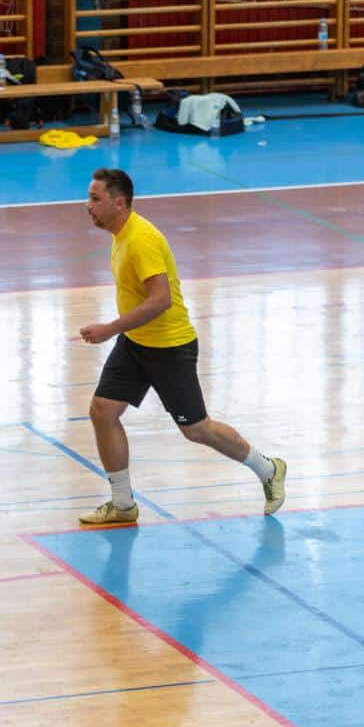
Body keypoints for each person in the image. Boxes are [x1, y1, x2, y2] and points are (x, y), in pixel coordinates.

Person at [77, 168, 288, 524]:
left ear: (119, 203)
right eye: (89, 198)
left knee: (197, 429)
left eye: (95, 199)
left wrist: (111, 328)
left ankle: (268, 468)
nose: (88, 206)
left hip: (169, 348)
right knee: (102, 411)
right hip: (137, 342)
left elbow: (161, 300)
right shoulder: (120, 235)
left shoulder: (141, 240)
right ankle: (123, 504)